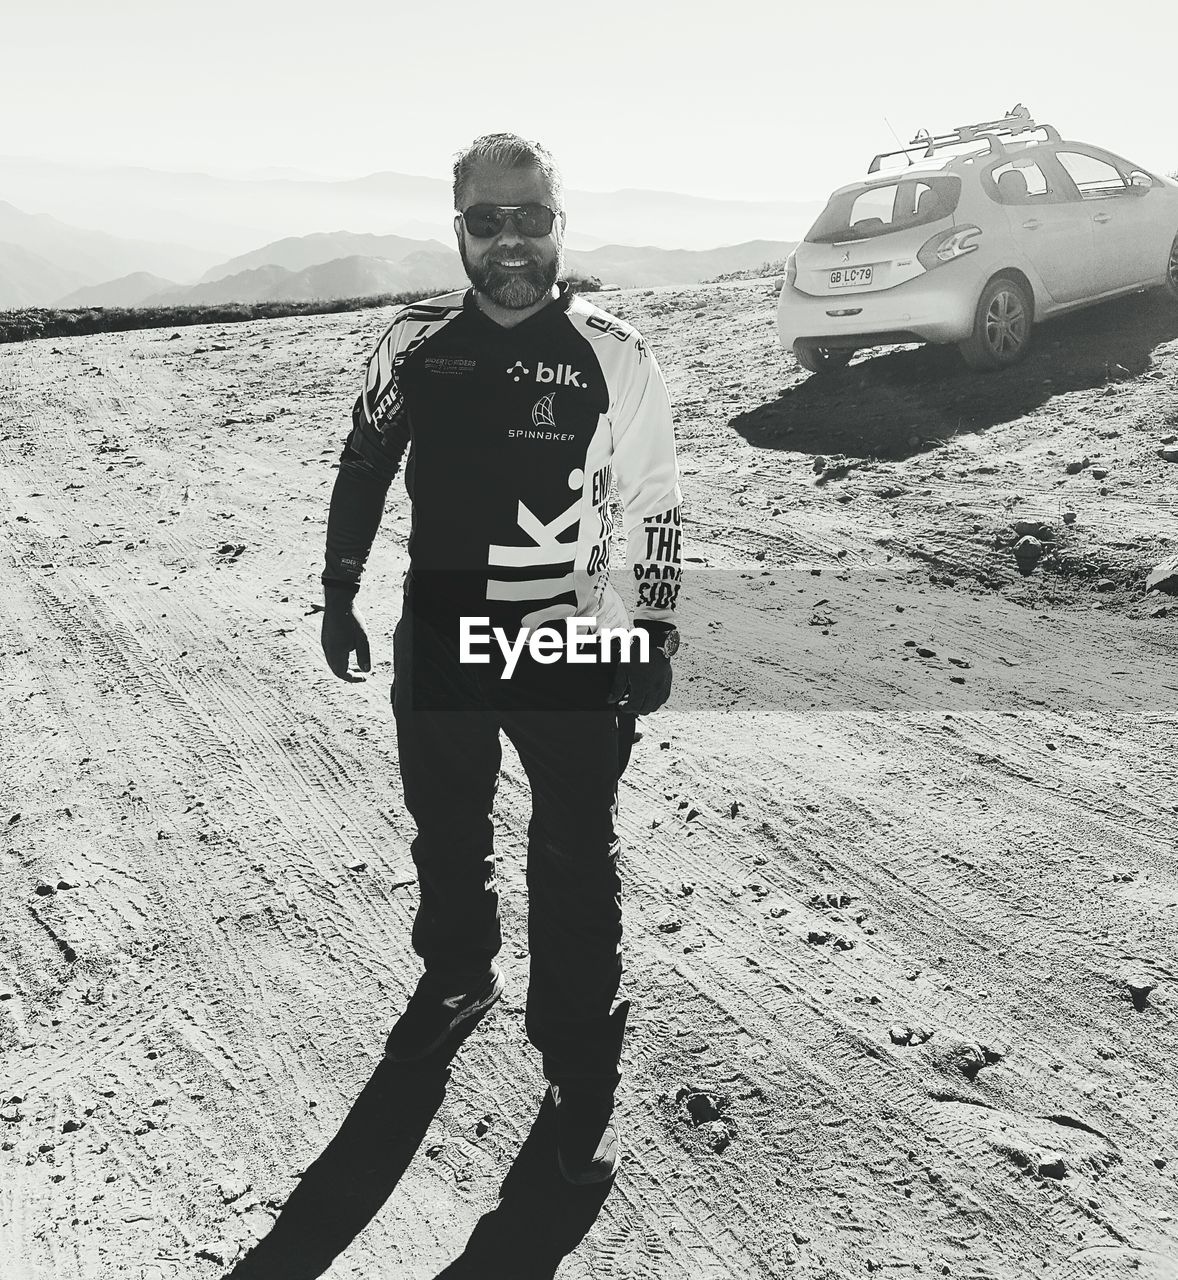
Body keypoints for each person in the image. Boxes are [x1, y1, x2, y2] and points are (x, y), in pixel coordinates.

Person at [319, 133, 682, 1185]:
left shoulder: (613, 350)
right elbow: (365, 458)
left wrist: (648, 629)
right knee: (448, 830)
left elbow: (652, 499)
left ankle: (574, 1053)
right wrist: (339, 588)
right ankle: (455, 977)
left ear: (559, 221)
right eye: (489, 221)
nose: (512, 242)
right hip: (440, 634)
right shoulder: (415, 340)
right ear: (460, 230)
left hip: (567, 640)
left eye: (531, 218)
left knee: (572, 851)